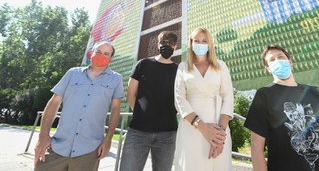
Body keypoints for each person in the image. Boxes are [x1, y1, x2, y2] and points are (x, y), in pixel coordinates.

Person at [244, 44, 319, 171]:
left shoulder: (315, 94)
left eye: (281, 57)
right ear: (268, 68)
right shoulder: (264, 95)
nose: (278, 61)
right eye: (272, 60)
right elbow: (256, 146)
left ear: (290, 61)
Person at [34, 41, 124, 171]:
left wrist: (108, 140)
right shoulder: (72, 73)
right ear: (91, 53)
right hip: (57, 147)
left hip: (89, 151)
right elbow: (54, 103)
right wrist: (43, 136)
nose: (101, 55)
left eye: (106, 54)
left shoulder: (116, 79)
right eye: (97, 52)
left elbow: (116, 110)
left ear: (111, 58)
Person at [174, 27, 234, 171]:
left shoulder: (221, 66)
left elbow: (228, 96)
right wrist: (202, 127)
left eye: (204, 41)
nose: (200, 44)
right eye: (196, 41)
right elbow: (179, 99)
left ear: (210, 44)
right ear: (190, 43)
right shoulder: (183, 67)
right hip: (191, 127)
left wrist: (220, 135)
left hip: (218, 128)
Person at [120, 31, 179, 171]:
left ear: (175, 46)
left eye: (170, 43)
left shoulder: (179, 70)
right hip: (138, 131)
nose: (167, 45)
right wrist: (142, 114)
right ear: (158, 45)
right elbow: (131, 94)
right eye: (163, 42)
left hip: (168, 134)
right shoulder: (143, 64)